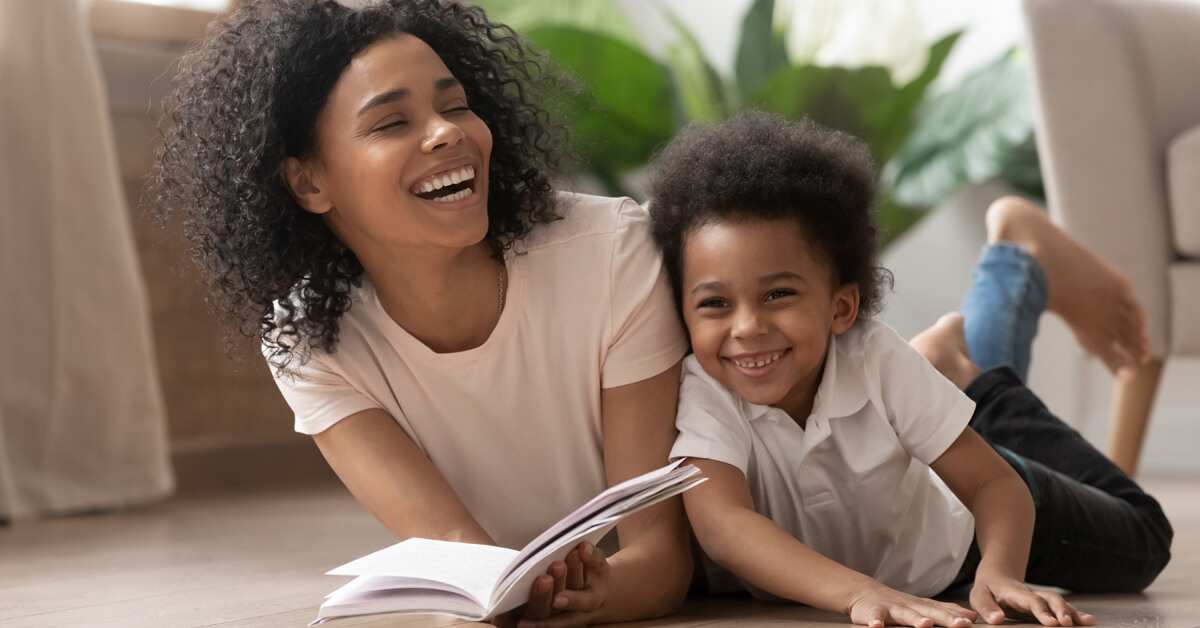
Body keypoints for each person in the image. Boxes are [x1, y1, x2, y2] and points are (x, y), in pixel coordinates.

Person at [147, 1, 692, 626]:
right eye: (391, 123)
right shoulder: (307, 341)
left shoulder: (611, 252)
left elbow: (660, 556)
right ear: (308, 184)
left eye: (455, 105)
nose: (447, 132)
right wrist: (515, 599)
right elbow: (464, 559)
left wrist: (594, 595)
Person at [646, 110, 1173, 628]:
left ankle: (998, 307)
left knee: (1145, 540)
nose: (747, 327)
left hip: (956, 541)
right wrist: (862, 593)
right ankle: (947, 364)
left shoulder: (873, 358)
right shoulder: (704, 387)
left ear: (841, 308)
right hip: (889, 544)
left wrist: (999, 569)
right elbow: (724, 527)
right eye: (715, 304)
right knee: (925, 402)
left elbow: (992, 484)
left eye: (778, 294)